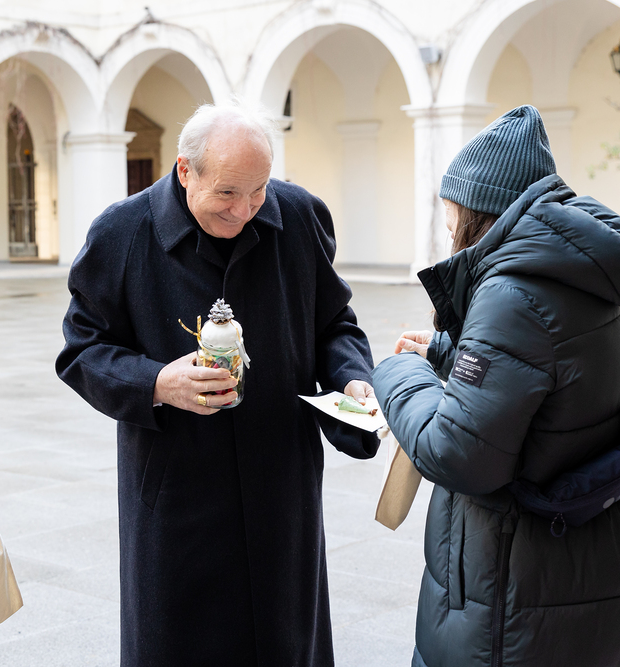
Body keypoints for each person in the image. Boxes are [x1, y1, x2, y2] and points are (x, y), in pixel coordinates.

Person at [56, 101, 380, 666]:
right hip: (175, 492)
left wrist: (352, 379)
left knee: (285, 640)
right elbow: (82, 352)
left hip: (280, 484)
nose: (245, 210)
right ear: (185, 171)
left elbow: (334, 325)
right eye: (227, 192)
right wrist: (158, 381)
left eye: (258, 191)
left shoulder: (299, 215)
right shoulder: (122, 231)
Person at [373, 105, 620, 667]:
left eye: (451, 216)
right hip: (582, 563)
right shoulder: (586, 267)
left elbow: (458, 454)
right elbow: (555, 370)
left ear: (479, 211)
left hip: (508, 585)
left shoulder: (512, 293)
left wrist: (397, 372)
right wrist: (447, 353)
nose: (448, 229)